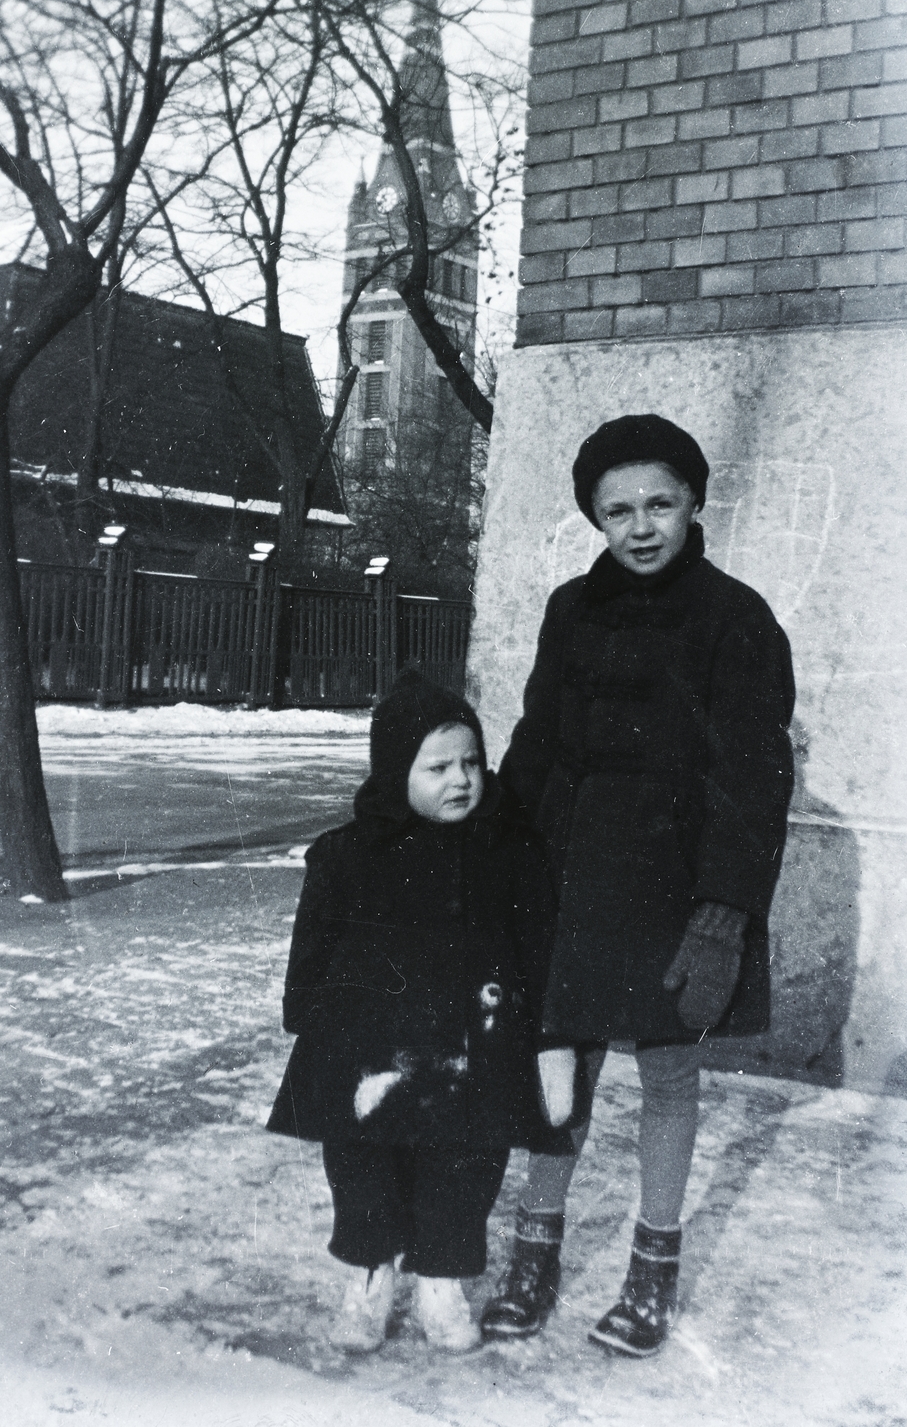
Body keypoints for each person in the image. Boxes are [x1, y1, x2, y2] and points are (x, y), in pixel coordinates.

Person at [480, 414, 795, 1358]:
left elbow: (752, 778)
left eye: (659, 502)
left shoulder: (736, 618)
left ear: (695, 501)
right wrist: (495, 853)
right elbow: (536, 742)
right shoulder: (571, 611)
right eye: (616, 510)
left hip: (674, 889)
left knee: (666, 1076)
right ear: (594, 518)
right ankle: (534, 1257)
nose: (640, 526)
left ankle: (650, 1270)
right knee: (556, 1070)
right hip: (566, 880)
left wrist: (722, 915)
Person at [266, 671, 563, 1354]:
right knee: (363, 1168)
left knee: (464, 1171)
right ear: (395, 769)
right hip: (368, 1057)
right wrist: (311, 1027)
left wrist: (547, 1035)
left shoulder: (509, 855)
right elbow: (312, 947)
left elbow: (535, 949)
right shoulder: (347, 855)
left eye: (469, 763)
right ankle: (370, 1274)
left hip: (474, 1052)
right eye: (436, 767)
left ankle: (442, 1278)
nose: (459, 780)